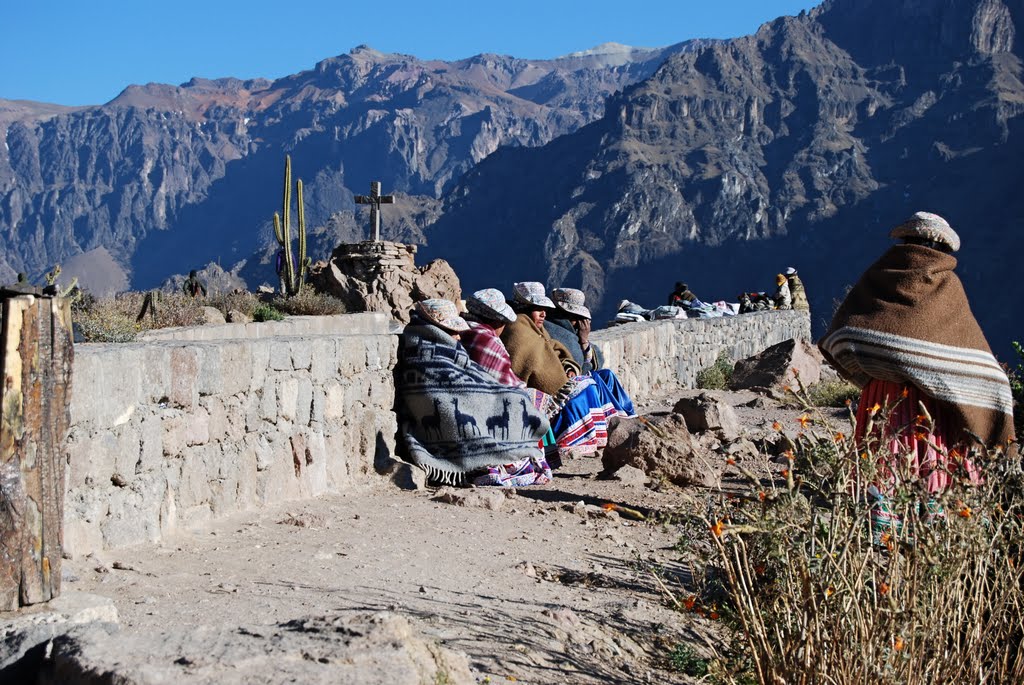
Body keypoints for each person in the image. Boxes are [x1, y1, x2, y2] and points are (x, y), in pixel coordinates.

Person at [819, 212, 1015, 528]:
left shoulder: (880, 275)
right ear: (941, 247)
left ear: (905, 240)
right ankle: (934, 517)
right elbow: (966, 351)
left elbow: (846, 331)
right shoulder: (947, 285)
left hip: (884, 394)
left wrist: (879, 360)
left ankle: (882, 519)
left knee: (886, 449)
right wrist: (991, 388)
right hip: (934, 398)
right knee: (932, 449)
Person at [394, 298, 552, 488]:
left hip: (477, 398)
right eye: (453, 331)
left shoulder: (441, 348)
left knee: (518, 400)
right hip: (449, 422)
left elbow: (473, 377)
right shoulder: (426, 355)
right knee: (517, 402)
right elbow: (450, 394)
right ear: (436, 329)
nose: (460, 337)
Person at [502, 282, 634, 457]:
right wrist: (578, 354)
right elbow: (536, 363)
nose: (543, 314)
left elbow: (556, 353)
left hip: (559, 380)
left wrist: (574, 359)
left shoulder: (539, 328)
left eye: (544, 309)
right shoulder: (523, 329)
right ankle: (577, 439)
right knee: (588, 385)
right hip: (533, 390)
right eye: (537, 309)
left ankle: (621, 421)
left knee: (600, 378)